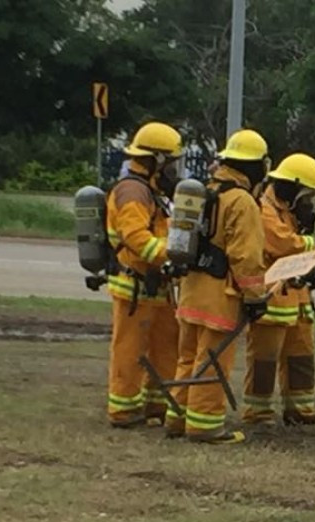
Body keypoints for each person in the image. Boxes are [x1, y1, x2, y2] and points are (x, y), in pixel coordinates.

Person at [167, 129, 269, 444]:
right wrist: (255, 296)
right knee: (213, 361)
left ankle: (178, 418)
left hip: (191, 290)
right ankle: (204, 426)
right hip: (219, 297)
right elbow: (246, 257)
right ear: (254, 167)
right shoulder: (242, 202)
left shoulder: (206, 192)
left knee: (187, 358)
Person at [104, 121, 183, 429]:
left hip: (156, 286)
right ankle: (123, 409)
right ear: (158, 160)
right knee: (130, 348)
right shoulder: (133, 191)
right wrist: (170, 256)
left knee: (167, 345)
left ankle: (157, 404)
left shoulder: (151, 190)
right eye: (172, 163)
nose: (175, 171)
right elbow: (136, 237)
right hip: (134, 287)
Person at [243, 153, 315, 428]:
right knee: (264, 359)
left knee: (301, 356)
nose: (309, 204)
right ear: (291, 188)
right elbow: (284, 245)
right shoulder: (263, 209)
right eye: (307, 196)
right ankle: (259, 412)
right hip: (271, 300)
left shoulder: (286, 211)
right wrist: (309, 241)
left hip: (296, 298)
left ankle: (300, 410)